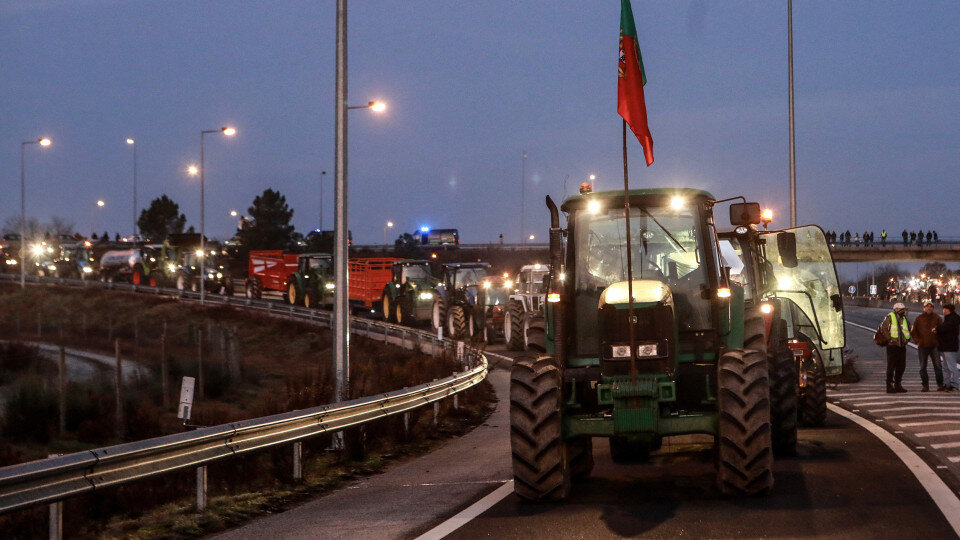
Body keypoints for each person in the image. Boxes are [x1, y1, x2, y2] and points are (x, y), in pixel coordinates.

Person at [878, 303, 911, 393]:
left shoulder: (904, 318)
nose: (903, 311)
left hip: (902, 346)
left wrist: (907, 340)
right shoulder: (890, 317)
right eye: (901, 309)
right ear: (896, 309)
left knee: (901, 366)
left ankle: (898, 384)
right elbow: (883, 328)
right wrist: (890, 339)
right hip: (892, 346)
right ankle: (889, 385)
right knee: (891, 366)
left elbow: (908, 329)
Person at [911, 301, 944, 391]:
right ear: (924, 308)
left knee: (938, 366)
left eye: (930, 307)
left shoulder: (937, 318)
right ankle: (925, 385)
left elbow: (942, 330)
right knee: (922, 367)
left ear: (933, 308)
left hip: (934, 345)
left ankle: (940, 384)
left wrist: (938, 337)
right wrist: (917, 341)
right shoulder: (919, 318)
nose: (928, 308)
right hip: (922, 345)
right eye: (927, 307)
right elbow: (914, 331)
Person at [935, 304, 960, 392]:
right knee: (945, 367)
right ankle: (947, 384)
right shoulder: (949, 318)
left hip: (950, 346)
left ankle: (954, 384)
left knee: (951, 366)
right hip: (945, 346)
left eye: (944, 309)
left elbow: (946, 328)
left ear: (948, 310)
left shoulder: (953, 319)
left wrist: (937, 329)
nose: (943, 310)